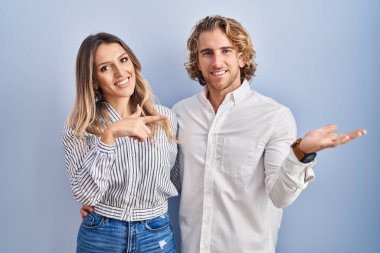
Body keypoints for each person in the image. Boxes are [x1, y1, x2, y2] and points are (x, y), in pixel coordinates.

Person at [171, 15, 366, 253]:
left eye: (226, 51)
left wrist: (301, 153)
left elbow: (280, 197)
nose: (217, 62)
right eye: (207, 53)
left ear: (242, 57)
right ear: (198, 60)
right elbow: (172, 182)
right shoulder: (181, 113)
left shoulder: (274, 116)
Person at [63, 32, 180, 252]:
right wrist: (110, 135)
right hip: (101, 233)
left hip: (155, 233)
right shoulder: (80, 125)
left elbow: (177, 179)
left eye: (123, 60)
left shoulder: (166, 119)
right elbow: (84, 195)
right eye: (105, 68)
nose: (120, 72)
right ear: (94, 81)